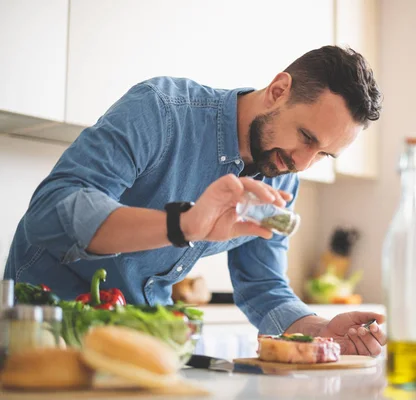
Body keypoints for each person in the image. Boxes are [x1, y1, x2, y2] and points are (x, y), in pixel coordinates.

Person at [4, 45, 386, 356]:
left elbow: (263, 284)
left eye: (324, 155)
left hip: (141, 346)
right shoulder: (160, 111)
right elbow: (51, 212)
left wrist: (321, 330)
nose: (304, 163)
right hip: (44, 337)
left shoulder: (281, 174)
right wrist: (184, 224)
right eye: (306, 136)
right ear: (278, 90)